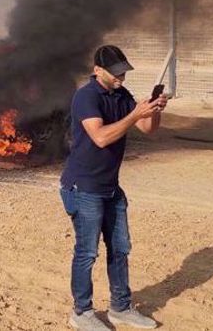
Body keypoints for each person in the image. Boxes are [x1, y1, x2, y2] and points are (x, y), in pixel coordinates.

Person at [60, 45, 168, 331]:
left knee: (120, 248)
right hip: (83, 187)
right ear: (98, 71)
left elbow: (148, 129)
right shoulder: (86, 96)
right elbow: (101, 137)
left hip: (110, 187)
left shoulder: (122, 95)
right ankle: (81, 312)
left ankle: (120, 306)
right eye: (116, 72)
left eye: (124, 71)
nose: (122, 76)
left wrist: (153, 110)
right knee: (87, 253)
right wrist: (135, 115)